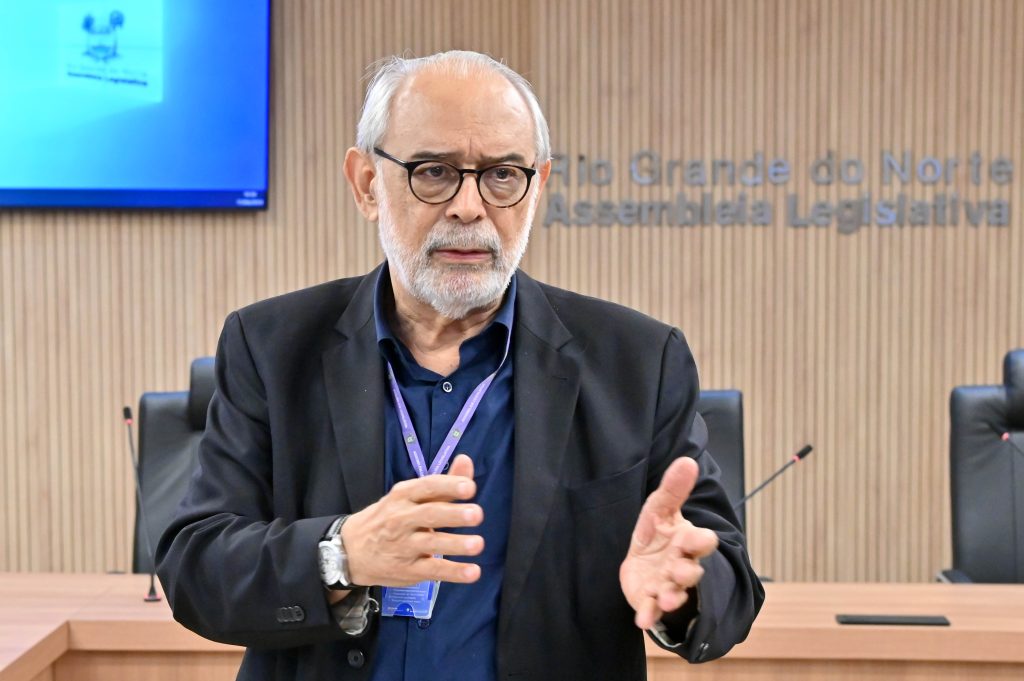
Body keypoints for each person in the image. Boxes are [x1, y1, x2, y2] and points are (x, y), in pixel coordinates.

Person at [157, 50, 763, 681]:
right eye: (434, 172)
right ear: (367, 184)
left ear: (537, 186)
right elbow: (196, 569)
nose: (470, 207)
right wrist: (341, 556)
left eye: (502, 175)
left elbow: (730, 586)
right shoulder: (272, 346)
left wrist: (686, 591)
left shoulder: (637, 362)